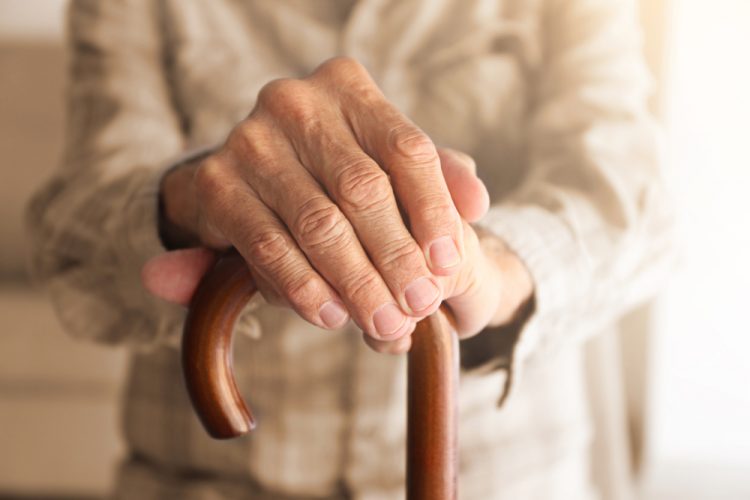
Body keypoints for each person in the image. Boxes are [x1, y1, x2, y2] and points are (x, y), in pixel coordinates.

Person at [26, 0, 673, 498]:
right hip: (205, 482)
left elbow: (631, 196)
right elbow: (72, 224)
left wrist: (492, 271)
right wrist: (192, 201)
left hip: (501, 478)